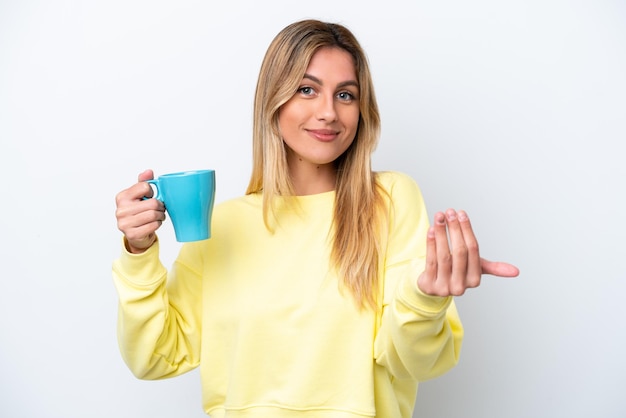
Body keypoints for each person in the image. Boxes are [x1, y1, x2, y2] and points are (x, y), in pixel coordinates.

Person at [112, 19, 519, 418]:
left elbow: (419, 364)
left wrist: (425, 299)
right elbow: (155, 357)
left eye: (346, 95)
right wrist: (139, 252)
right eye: (307, 90)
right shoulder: (223, 223)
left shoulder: (391, 199)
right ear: (274, 100)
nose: (328, 112)